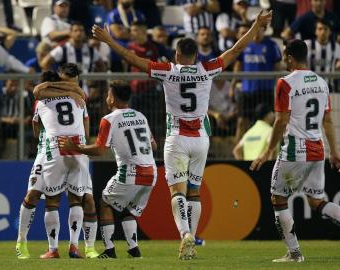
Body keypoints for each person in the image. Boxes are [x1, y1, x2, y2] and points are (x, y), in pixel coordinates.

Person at [92, 9, 272, 260]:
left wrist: (110, 41)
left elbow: (133, 58)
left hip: (177, 138)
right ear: (196, 55)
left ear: (177, 55)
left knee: (177, 191)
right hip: (201, 139)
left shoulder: (168, 70)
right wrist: (256, 26)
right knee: (194, 192)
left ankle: (185, 234)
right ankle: (192, 239)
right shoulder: (207, 68)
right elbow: (236, 50)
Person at [249, 39, 340, 262]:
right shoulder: (321, 82)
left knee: (278, 199)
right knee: (316, 202)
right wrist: (334, 151)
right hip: (317, 150)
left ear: (289, 57)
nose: (282, 61)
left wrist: (268, 151)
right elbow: (327, 120)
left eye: (284, 57)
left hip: (295, 149)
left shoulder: (285, 83)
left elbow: (280, 120)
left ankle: (294, 253)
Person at [59, 81, 157, 259]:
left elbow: (98, 149)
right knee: (128, 210)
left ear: (112, 99)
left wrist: (76, 147)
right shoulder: (140, 116)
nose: (106, 98)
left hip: (130, 172)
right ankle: (134, 249)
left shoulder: (109, 119)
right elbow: (154, 145)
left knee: (105, 203)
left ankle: (110, 250)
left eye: (108, 95)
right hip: (151, 173)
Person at [19, 65, 99, 259]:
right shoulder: (79, 97)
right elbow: (87, 131)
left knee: (52, 201)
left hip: (53, 148)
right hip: (77, 146)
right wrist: (74, 91)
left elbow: (37, 129)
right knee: (77, 199)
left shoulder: (42, 100)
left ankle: (54, 249)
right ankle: (74, 247)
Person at [232, 27, 281, 143]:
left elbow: (278, 68)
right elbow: (238, 65)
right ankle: (236, 154)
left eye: (260, 29)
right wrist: (233, 84)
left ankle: (270, 151)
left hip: (266, 90)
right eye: (255, 28)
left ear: (264, 30)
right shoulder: (244, 44)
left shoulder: (272, 45)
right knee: (242, 122)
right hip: (247, 91)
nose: (257, 32)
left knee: (269, 122)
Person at [41, 22, 105, 96]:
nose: (79, 33)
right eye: (76, 30)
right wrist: (54, 81)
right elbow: (44, 63)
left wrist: (95, 86)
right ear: (70, 33)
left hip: (86, 92)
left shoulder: (91, 50)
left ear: (84, 33)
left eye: (81, 30)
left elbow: (102, 67)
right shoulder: (62, 49)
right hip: (65, 92)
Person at [106, 0, 145, 71]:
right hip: (119, 47)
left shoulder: (139, 15)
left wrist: (125, 31)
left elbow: (142, 34)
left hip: (137, 47)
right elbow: (118, 34)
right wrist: (135, 33)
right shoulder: (114, 14)